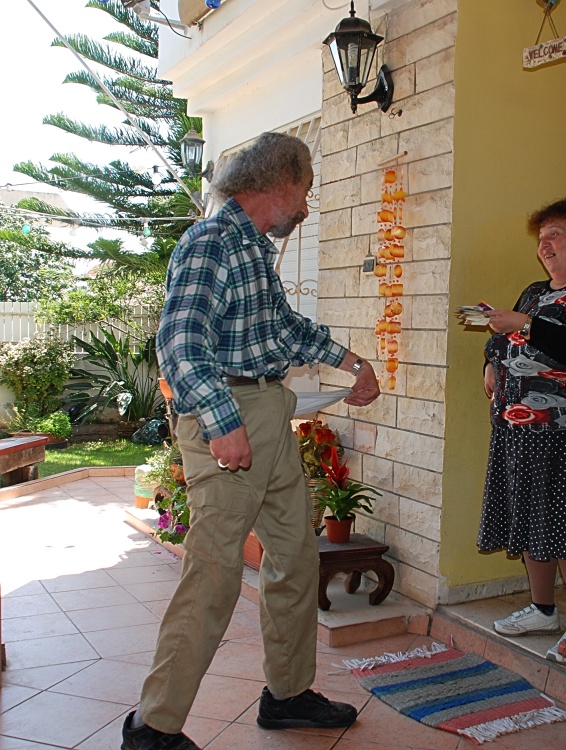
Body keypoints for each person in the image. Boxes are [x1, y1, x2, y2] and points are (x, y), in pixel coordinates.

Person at [122, 132, 380, 750]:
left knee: (294, 556)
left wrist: (349, 359)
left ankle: (287, 694)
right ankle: (153, 728)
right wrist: (221, 420)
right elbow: (180, 342)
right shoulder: (211, 241)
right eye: (308, 193)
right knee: (213, 575)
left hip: (268, 410)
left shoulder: (252, 250)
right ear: (282, 183)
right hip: (233, 413)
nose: (308, 208)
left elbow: (279, 330)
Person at [477, 197, 566, 663]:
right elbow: (506, 337)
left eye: (555, 234)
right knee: (530, 514)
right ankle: (542, 610)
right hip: (519, 424)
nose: (545, 245)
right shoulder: (533, 292)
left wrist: (524, 325)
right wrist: (490, 360)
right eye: (540, 238)